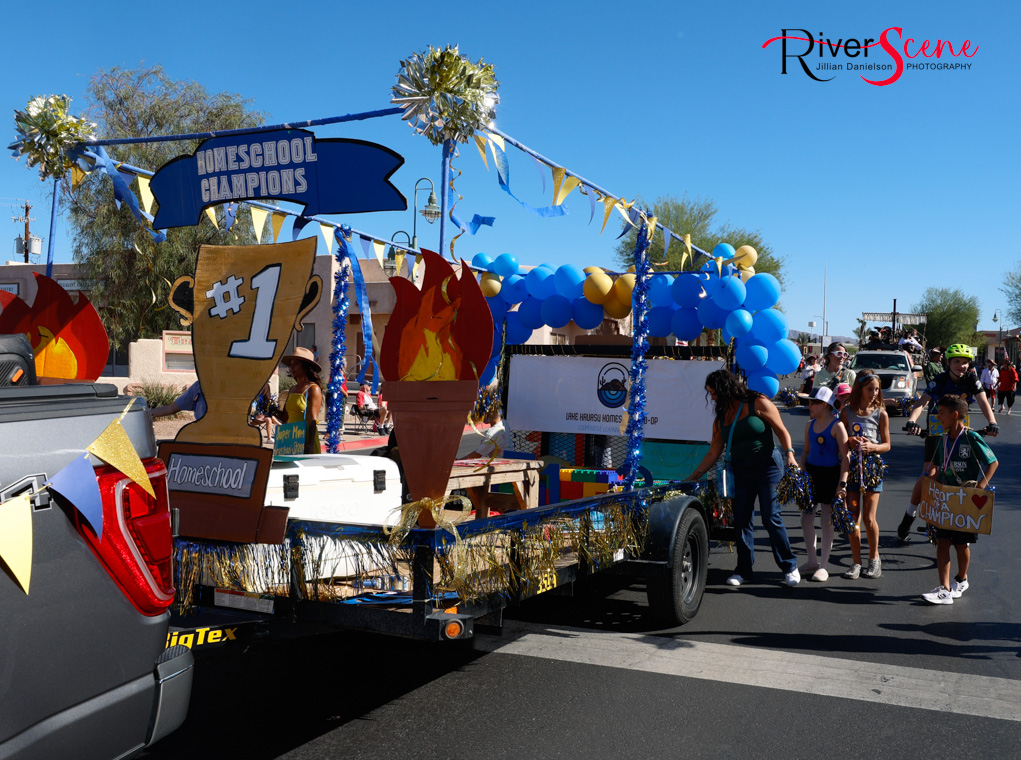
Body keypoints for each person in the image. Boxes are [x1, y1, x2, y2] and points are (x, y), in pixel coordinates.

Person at [684, 369, 801, 587]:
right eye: (710, 393)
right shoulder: (721, 417)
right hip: (740, 469)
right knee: (742, 519)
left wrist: (790, 456)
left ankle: (789, 565)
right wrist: (695, 475)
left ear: (725, 388)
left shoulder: (757, 402)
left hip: (768, 466)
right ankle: (743, 569)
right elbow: (714, 451)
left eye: (714, 392)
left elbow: (782, 431)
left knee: (770, 517)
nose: (713, 397)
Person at [899, 344, 998, 540]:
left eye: (965, 362)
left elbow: (983, 400)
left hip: (960, 427)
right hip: (938, 425)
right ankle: (909, 516)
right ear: (948, 363)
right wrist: (912, 421)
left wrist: (992, 422)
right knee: (929, 473)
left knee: (959, 473)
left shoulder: (971, 378)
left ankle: (951, 519)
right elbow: (922, 402)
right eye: (957, 362)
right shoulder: (940, 379)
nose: (961, 366)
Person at [920, 395, 998, 605]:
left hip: (965, 499)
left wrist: (980, 488)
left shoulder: (971, 438)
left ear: (955, 415)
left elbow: (992, 462)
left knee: (961, 544)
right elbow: (936, 464)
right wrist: (931, 478)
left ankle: (961, 579)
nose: (938, 417)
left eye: (942, 413)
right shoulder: (942, 439)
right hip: (946, 498)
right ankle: (944, 589)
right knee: (942, 541)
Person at [840, 371, 891, 579]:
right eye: (870, 389)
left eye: (877, 389)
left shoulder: (881, 413)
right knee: (853, 517)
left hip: (871, 468)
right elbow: (841, 440)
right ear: (860, 389)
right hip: (852, 468)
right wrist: (850, 441)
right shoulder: (847, 412)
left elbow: (887, 445)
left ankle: (874, 558)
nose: (874, 393)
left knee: (870, 518)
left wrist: (873, 447)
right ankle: (856, 562)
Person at [798, 386, 850, 582]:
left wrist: (842, 483)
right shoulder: (809, 425)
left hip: (830, 475)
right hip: (811, 474)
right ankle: (812, 561)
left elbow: (846, 457)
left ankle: (824, 565)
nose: (809, 405)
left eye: (813, 402)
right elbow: (805, 452)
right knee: (806, 519)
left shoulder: (837, 426)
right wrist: (800, 470)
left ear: (825, 405)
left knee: (826, 519)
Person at [256, 347, 322, 455]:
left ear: (306, 367)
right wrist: (267, 403)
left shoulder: (313, 389)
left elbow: (313, 419)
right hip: (291, 439)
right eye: (290, 364)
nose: (291, 367)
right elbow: (284, 417)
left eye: (296, 364)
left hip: (305, 439)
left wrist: (310, 445)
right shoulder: (292, 389)